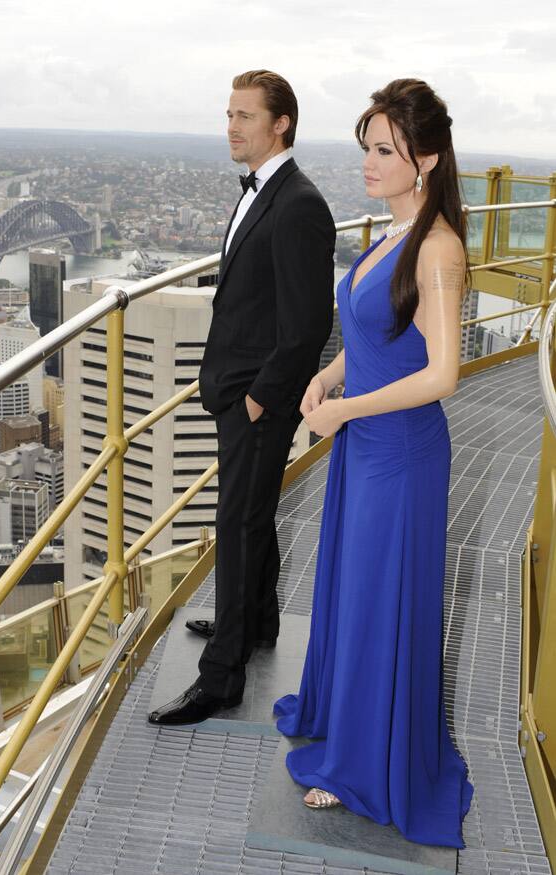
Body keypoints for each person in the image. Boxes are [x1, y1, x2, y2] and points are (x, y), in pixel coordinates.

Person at [273, 78, 474, 849]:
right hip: (368, 446)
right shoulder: (390, 232)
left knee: (378, 599)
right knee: (355, 593)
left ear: (425, 158)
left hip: (401, 456)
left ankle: (367, 763)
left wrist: (343, 410)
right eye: (366, 147)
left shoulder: (439, 248)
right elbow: (378, 343)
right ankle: (347, 723)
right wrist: (331, 376)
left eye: (384, 150)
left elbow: (444, 374)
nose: (368, 161)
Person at [148, 70, 335, 726]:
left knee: (237, 521)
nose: (231, 126)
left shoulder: (299, 203)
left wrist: (258, 399)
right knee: (254, 514)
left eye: (245, 116)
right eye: (229, 114)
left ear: (280, 123)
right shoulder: (267, 190)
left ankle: (221, 677)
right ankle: (257, 621)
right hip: (241, 392)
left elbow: (309, 324)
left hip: (259, 399)